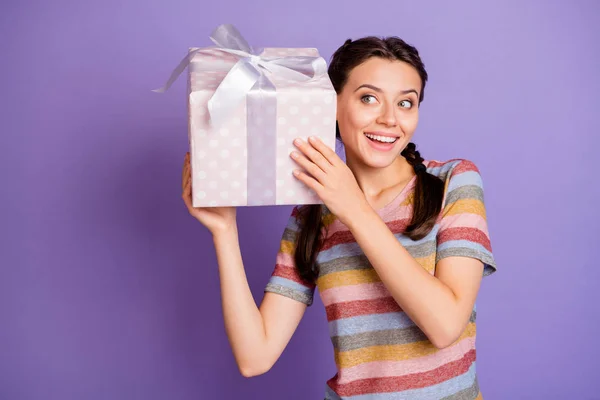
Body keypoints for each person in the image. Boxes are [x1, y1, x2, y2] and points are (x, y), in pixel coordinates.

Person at [181, 35, 497, 400]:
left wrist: (355, 210)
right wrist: (224, 231)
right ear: (331, 105)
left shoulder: (454, 183)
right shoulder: (310, 218)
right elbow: (255, 356)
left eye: (406, 103)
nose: (390, 119)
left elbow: (445, 326)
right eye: (368, 98)